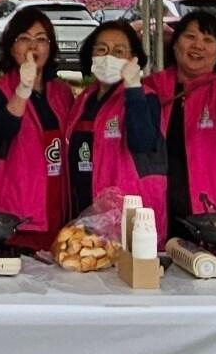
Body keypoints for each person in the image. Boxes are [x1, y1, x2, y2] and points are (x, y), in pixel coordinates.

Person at [141, 10, 216, 237]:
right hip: (151, 216)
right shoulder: (149, 88)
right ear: (175, 44)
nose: (198, 45)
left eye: (208, 40)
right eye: (190, 37)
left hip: (211, 218)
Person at [0, 7, 78, 252]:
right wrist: (23, 89)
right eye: (24, 39)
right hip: (16, 209)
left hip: (57, 205)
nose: (33, 47)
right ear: (11, 47)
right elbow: (0, 133)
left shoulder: (62, 93)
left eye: (41, 39)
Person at [64, 20, 166, 222]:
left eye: (119, 51)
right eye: (102, 49)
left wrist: (133, 87)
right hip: (85, 211)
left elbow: (142, 142)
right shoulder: (85, 99)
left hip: (128, 215)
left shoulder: (145, 97)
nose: (109, 57)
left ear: (133, 58)